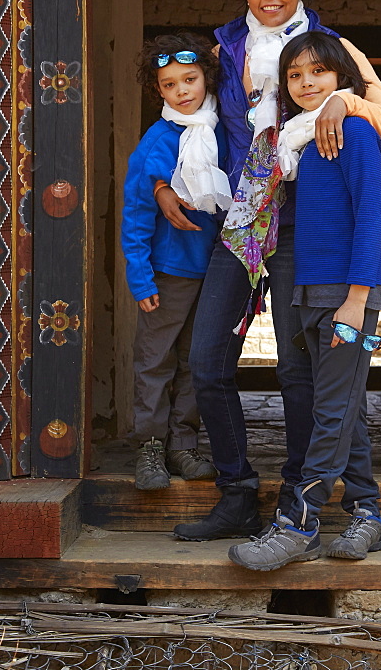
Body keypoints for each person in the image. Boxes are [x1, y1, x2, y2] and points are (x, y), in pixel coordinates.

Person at [155, 0, 381, 540]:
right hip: (241, 219)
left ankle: (300, 498)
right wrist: (162, 187)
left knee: (299, 371)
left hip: (303, 224)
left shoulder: (329, 52)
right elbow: (185, 110)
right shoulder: (223, 49)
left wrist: (345, 96)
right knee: (206, 358)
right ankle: (237, 490)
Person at [229, 32, 381, 570]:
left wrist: (357, 298)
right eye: (295, 75)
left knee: (330, 410)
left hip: (347, 295)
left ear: (340, 77)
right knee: (345, 409)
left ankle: (298, 524)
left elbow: (370, 217)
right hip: (308, 291)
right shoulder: (296, 142)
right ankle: (368, 514)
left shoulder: (355, 130)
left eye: (318, 72)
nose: (306, 83)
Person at [121, 32, 230, 490]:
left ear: (207, 78)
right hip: (169, 273)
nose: (182, 91)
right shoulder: (157, 141)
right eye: (169, 85)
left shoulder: (227, 131)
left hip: (219, 271)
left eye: (190, 79)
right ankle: (149, 447)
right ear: (158, 91)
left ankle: (182, 445)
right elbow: (136, 212)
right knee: (156, 359)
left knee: (196, 361)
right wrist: (141, 276)